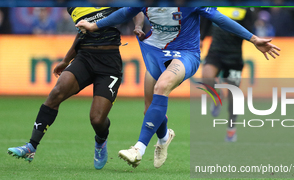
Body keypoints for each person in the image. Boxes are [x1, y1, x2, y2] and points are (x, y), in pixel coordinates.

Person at [76, 7, 280, 168]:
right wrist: (96, 26)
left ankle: (138, 149)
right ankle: (164, 137)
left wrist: (253, 39)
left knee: (162, 86)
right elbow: (126, 12)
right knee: (149, 109)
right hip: (155, 51)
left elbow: (218, 18)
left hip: (185, 54)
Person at [7, 7, 143, 170]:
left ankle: (101, 140)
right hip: (84, 58)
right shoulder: (74, 7)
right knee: (56, 94)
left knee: (97, 119)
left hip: (109, 64)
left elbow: (137, 10)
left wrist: (139, 26)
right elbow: (81, 33)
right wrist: (66, 60)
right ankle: (31, 147)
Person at [200, 7, 255, 142]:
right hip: (215, 52)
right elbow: (206, 20)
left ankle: (231, 129)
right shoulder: (216, 5)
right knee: (206, 76)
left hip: (234, 57)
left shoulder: (246, 9)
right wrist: (201, 38)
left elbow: (250, 30)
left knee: (233, 96)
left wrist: (234, 30)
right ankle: (216, 95)